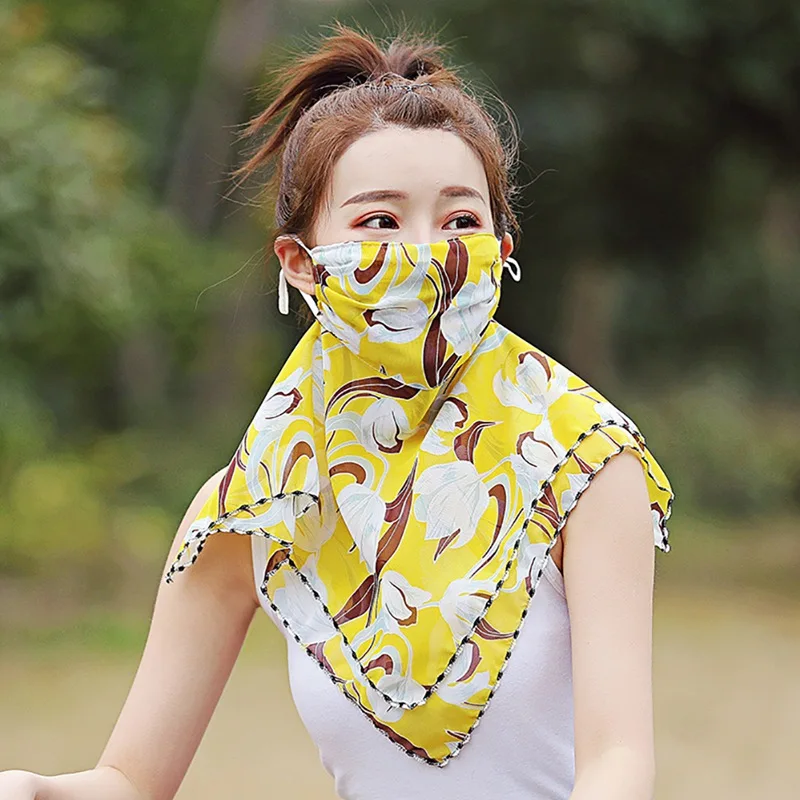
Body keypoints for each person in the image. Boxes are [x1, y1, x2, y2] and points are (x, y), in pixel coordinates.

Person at [0, 25, 674, 800]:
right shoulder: (259, 501)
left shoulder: (584, 462)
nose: (428, 254)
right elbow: (128, 780)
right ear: (301, 263)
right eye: (380, 222)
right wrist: (32, 788)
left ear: (502, 247)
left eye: (461, 221)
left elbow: (619, 762)